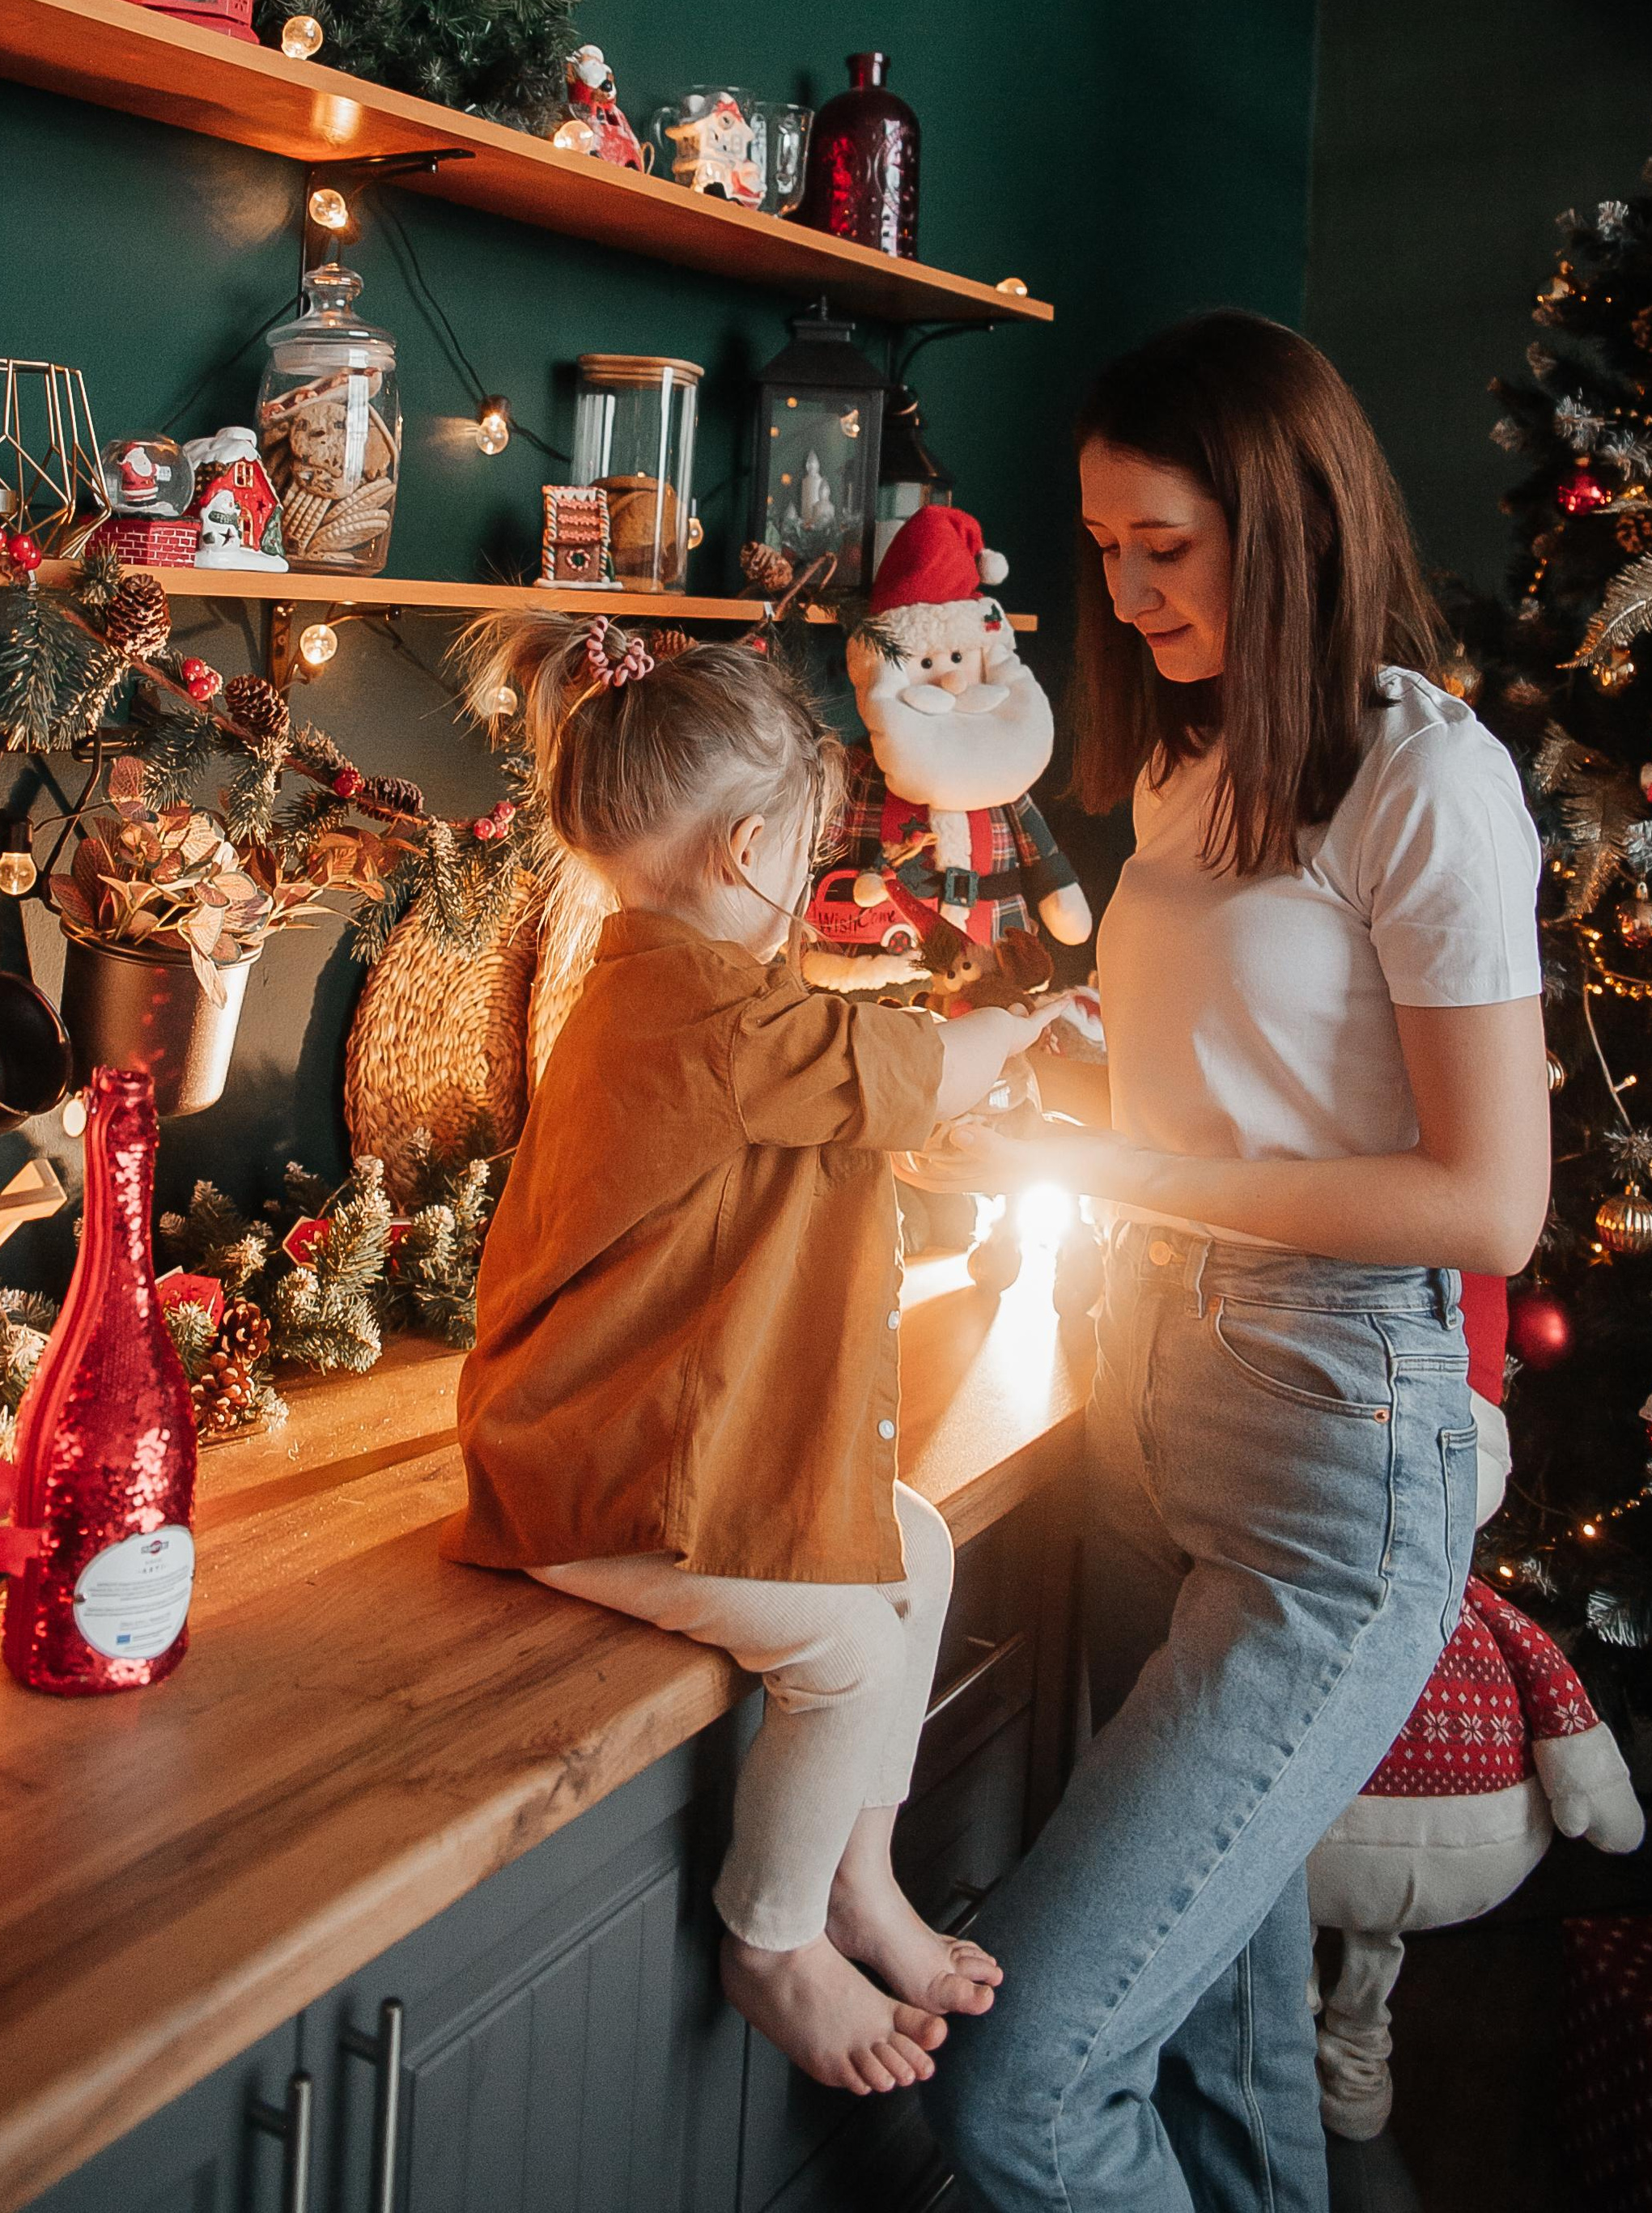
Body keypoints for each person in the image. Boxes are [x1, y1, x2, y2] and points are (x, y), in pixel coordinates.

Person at [926, 311, 1549, 2213]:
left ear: (1280, 518)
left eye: (1161, 549)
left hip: (1332, 1450)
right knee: (1221, 2016)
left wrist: (1114, 1158)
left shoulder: (1424, 785)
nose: (1120, 595)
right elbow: (1255, 1092)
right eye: (1102, 551)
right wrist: (1045, 1065)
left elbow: (1480, 1205)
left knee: (1020, 2083)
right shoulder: (1196, 771)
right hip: (1152, 1390)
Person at [443, 610, 1071, 2097]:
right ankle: (776, 1932)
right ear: (747, 855)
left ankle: (858, 1873)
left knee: (908, 1541)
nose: (809, 876)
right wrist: (1030, 1022)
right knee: (851, 1651)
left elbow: (818, 1096)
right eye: (804, 845)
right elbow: (896, 1072)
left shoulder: (677, 986)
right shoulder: (708, 1012)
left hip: (648, 1426)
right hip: (597, 1465)